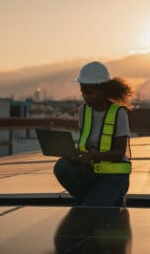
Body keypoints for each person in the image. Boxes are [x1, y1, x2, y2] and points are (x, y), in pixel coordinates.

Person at [54, 61, 133, 206]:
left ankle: (95, 200)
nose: (85, 97)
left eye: (89, 93)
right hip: (91, 171)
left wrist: (95, 156)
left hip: (114, 177)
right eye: (82, 92)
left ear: (104, 91)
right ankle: (92, 199)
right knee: (62, 167)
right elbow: (85, 144)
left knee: (90, 207)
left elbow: (119, 152)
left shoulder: (119, 113)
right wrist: (74, 155)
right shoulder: (83, 111)